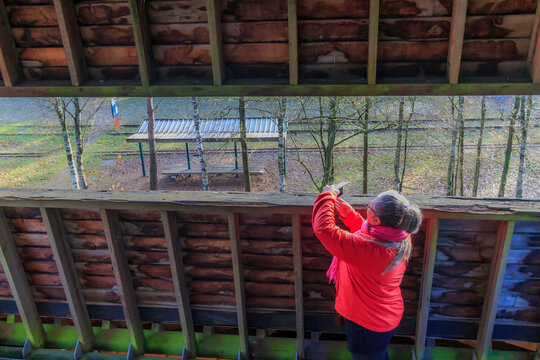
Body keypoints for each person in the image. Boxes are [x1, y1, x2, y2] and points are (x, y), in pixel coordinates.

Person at [312, 187, 422, 360]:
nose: (367, 207)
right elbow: (370, 239)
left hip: (367, 324)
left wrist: (328, 194)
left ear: (376, 220)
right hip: (384, 317)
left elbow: (324, 229)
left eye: (370, 206)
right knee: (378, 355)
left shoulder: (369, 250)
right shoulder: (402, 237)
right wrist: (350, 216)